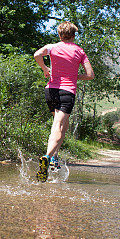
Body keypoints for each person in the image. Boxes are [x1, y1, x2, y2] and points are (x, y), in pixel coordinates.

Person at [33, 21, 94, 181]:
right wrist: (74, 76)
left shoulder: (52, 47)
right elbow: (90, 75)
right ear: (74, 35)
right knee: (58, 126)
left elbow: (37, 55)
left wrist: (46, 70)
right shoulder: (79, 51)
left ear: (60, 35)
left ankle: (54, 158)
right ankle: (47, 157)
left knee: (62, 125)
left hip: (51, 90)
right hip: (67, 92)